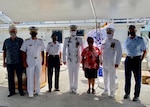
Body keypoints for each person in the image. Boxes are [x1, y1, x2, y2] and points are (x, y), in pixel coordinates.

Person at [124, 25, 147, 101]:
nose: (131, 31)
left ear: (135, 31)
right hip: (128, 59)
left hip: (136, 60)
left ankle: (136, 95)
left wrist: (141, 60)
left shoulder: (140, 39)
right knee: (127, 78)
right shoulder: (127, 39)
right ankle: (127, 93)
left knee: (137, 79)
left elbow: (145, 51)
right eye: (130, 30)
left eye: (132, 30)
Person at [20, 26, 45, 98]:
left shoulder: (40, 41)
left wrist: (43, 59)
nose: (33, 33)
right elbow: (23, 52)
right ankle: (30, 91)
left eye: (35, 32)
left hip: (38, 60)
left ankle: (38, 90)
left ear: (37, 33)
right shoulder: (26, 41)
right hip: (29, 60)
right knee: (30, 76)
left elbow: (42, 50)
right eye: (32, 32)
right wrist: (24, 62)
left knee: (38, 76)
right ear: (30, 33)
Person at [2, 24, 25, 97]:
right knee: (10, 77)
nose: (12, 32)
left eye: (14, 31)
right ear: (9, 32)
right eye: (11, 31)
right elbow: (5, 52)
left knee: (19, 77)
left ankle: (21, 91)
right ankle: (11, 91)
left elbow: (23, 52)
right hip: (9, 62)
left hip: (19, 62)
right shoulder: (6, 41)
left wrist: (24, 62)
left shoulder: (20, 40)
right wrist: (4, 62)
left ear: (16, 32)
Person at [101, 27, 122, 98]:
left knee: (112, 77)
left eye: (110, 33)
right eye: (108, 33)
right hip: (105, 62)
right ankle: (106, 89)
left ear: (113, 34)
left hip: (112, 62)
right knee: (105, 77)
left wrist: (117, 62)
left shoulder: (116, 42)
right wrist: (101, 60)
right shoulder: (104, 41)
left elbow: (119, 52)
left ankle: (112, 91)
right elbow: (101, 52)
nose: (108, 34)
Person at [63, 25, 83, 94]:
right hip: (70, 59)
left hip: (77, 59)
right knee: (70, 74)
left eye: (74, 30)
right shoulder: (67, 39)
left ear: (76, 31)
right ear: (70, 31)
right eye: (72, 30)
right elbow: (64, 49)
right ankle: (71, 87)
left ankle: (75, 88)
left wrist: (82, 59)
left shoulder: (79, 39)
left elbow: (82, 49)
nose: (73, 32)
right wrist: (64, 60)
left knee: (76, 74)